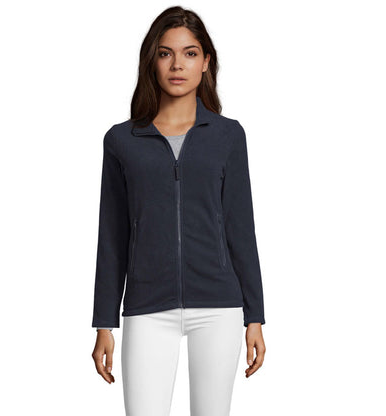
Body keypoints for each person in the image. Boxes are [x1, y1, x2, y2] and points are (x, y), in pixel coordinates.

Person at [91, 6, 266, 416]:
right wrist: (104, 322)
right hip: (147, 306)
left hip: (218, 306)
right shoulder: (122, 140)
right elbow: (112, 235)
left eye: (189, 53)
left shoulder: (227, 136)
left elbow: (241, 228)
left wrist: (255, 316)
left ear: (206, 62)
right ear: (151, 61)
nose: (177, 65)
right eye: (165, 53)